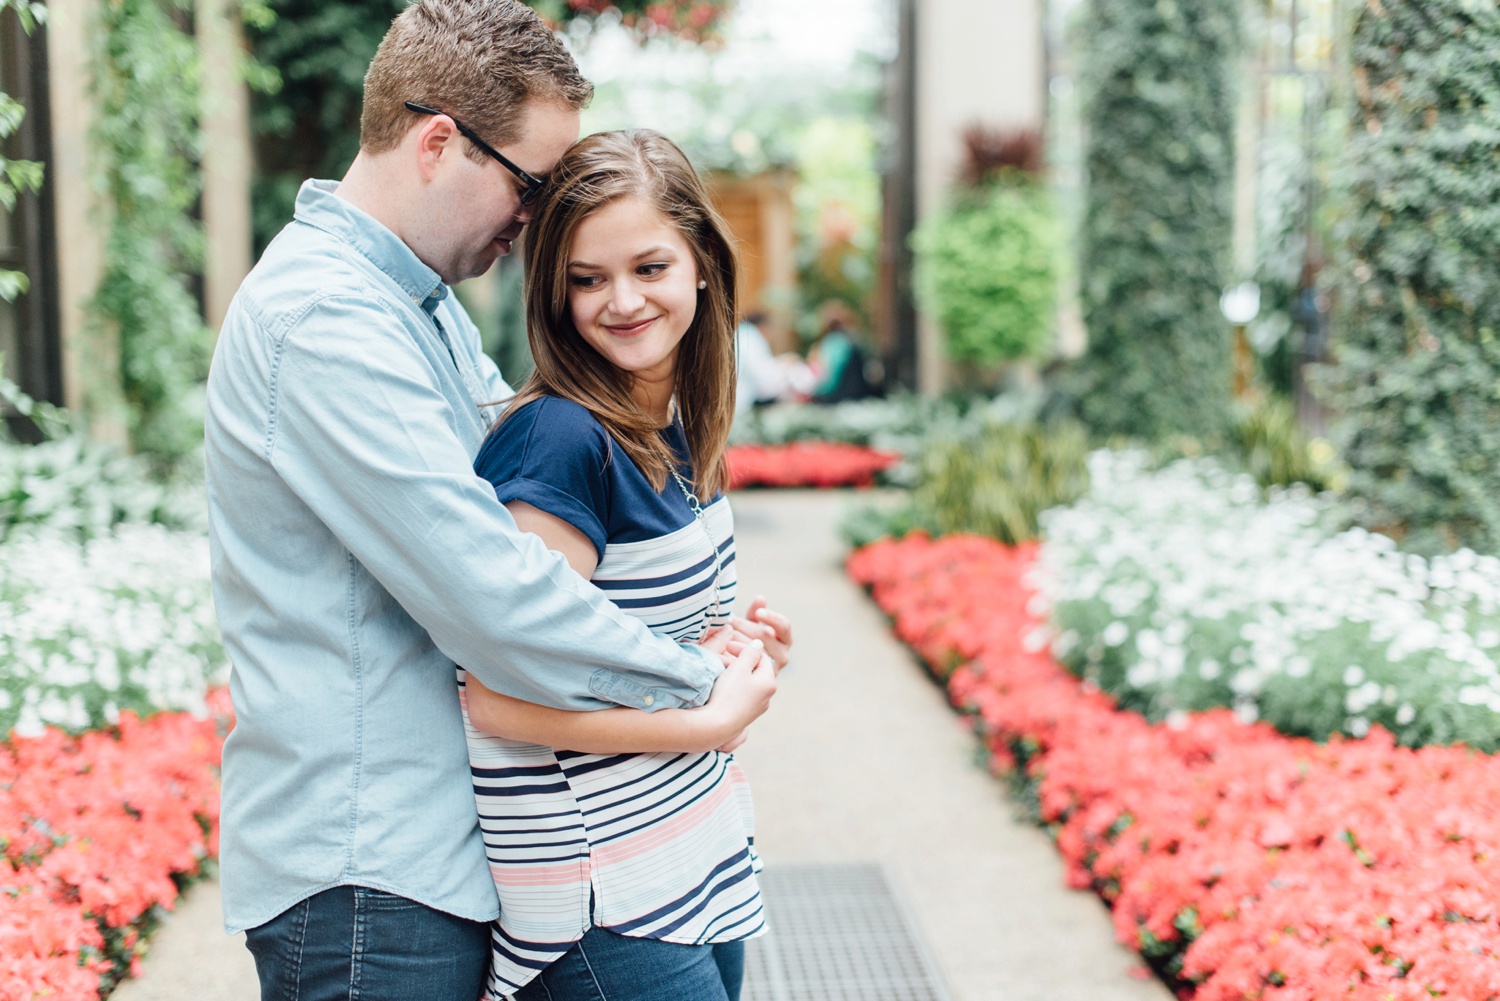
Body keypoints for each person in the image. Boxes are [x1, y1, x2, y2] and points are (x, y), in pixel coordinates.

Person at [203, 3, 775, 999]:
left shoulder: (412, 305)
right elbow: (499, 598)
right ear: (438, 142)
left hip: (428, 857)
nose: (535, 220)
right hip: (368, 873)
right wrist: (701, 689)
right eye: (531, 184)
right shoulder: (325, 320)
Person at [455, 129, 792, 1001]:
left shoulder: (676, 422)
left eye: (649, 267)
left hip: (690, 847)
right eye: (587, 278)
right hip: (601, 897)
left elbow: (624, 643)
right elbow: (498, 695)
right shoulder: (560, 440)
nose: (622, 301)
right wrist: (709, 721)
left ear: (702, 265)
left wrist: (725, 648)